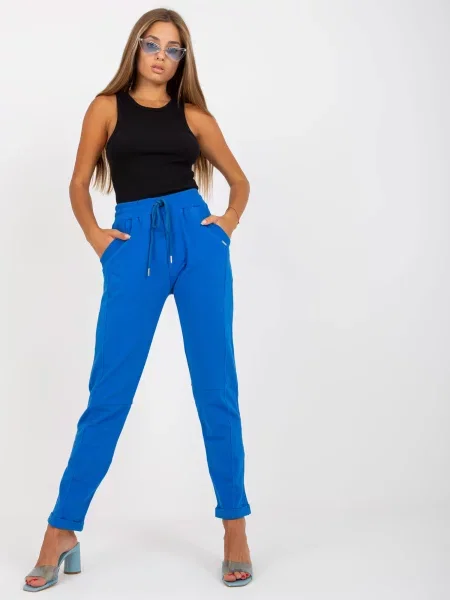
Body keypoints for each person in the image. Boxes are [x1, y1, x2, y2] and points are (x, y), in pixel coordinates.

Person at [23, 8, 253, 592]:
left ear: (182, 60)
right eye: (152, 44)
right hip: (132, 248)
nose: (161, 56)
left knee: (216, 389)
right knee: (109, 393)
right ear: (135, 48)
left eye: (173, 49)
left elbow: (240, 181)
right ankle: (61, 529)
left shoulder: (194, 116)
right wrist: (98, 239)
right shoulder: (106, 108)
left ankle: (235, 526)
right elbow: (79, 182)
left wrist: (224, 225)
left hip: (199, 245)